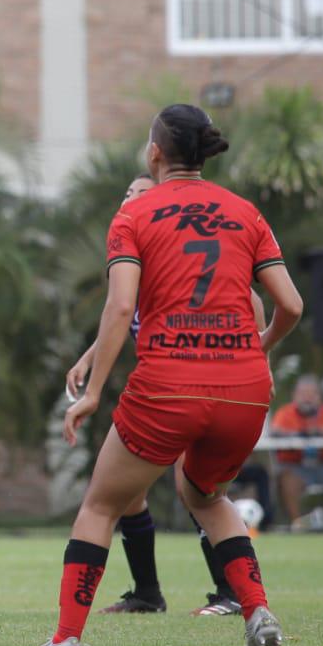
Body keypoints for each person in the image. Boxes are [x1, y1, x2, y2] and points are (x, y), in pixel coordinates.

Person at [26, 105, 304, 646]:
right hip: (245, 389)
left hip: (168, 386)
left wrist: (93, 391)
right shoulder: (246, 213)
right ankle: (257, 612)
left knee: (101, 506)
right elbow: (292, 305)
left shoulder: (134, 214)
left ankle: (64, 643)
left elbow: (121, 304)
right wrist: (258, 350)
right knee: (207, 495)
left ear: (155, 153)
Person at [65, 174, 268, 618]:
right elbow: (121, 314)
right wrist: (87, 359)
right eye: (126, 193)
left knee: (195, 488)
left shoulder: (171, 254)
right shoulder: (141, 262)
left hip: (192, 385)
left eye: (137, 193)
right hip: (166, 383)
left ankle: (230, 595)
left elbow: (251, 309)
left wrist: (253, 356)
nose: (129, 200)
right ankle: (147, 593)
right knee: (131, 496)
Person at [269, 375, 323, 529]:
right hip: (298, 467)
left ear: (319, 397)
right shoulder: (286, 413)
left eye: (311, 394)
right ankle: (297, 523)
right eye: (303, 394)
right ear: (295, 396)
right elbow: (275, 432)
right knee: (286, 478)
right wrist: (300, 433)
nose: (307, 399)